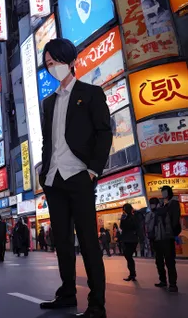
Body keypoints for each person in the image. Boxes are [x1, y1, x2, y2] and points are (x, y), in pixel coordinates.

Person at [39, 39, 113, 318]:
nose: (52, 67)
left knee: (88, 240)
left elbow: (104, 132)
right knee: (61, 240)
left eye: (56, 61)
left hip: (80, 175)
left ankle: (97, 303)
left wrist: (94, 169)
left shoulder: (91, 93)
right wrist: (44, 174)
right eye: (48, 64)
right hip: (54, 179)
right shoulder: (48, 103)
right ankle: (67, 293)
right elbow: (49, 142)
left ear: (70, 60)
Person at [149, 186, 181, 292]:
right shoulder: (161, 205)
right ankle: (163, 281)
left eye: (165, 191)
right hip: (157, 238)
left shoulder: (173, 204)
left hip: (168, 237)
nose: (163, 194)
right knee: (159, 261)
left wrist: (174, 234)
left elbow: (175, 220)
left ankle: (173, 284)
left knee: (169, 261)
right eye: (162, 192)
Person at [120, 204, 140, 282]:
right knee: (128, 257)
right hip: (127, 239)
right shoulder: (126, 217)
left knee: (128, 256)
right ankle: (132, 274)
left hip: (131, 239)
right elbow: (122, 227)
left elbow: (135, 226)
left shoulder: (134, 217)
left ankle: (132, 274)